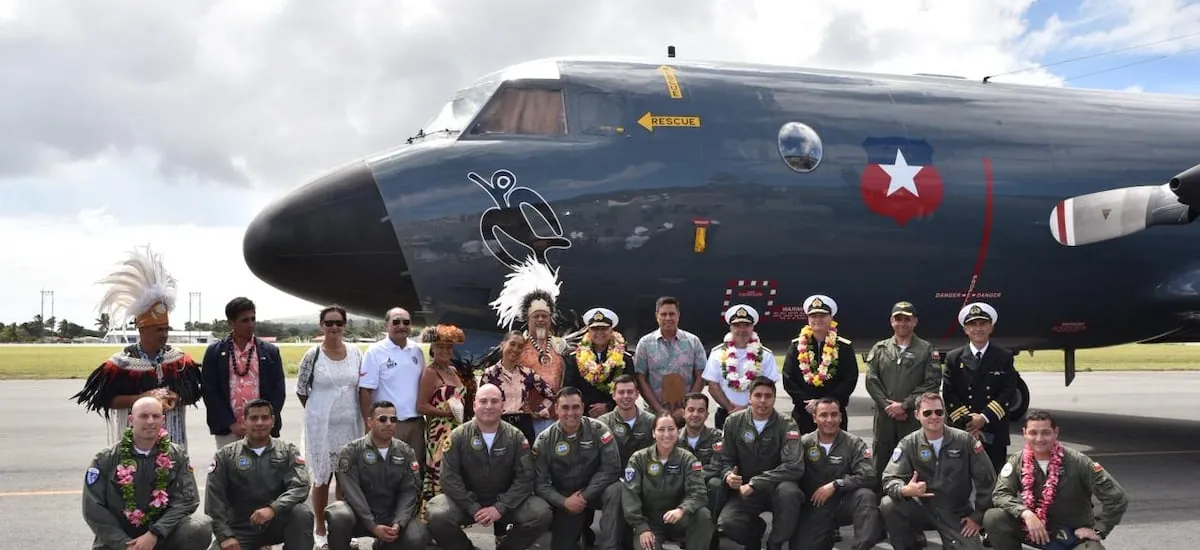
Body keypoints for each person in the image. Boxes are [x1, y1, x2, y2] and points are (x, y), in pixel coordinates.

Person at [73, 246, 203, 450]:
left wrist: (175, 397)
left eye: (166, 329)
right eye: (158, 330)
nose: (164, 334)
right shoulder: (121, 363)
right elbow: (105, 399)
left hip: (173, 440)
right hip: (135, 441)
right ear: (142, 330)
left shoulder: (179, 360)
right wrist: (143, 399)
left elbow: (194, 393)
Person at [425, 384, 554, 550]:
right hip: (467, 503)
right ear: (474, 405)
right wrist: (472, 507)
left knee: (540, 512)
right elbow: (449, 478)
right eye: (483, 401)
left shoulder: (516, 437)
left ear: (502, 405)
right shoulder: (458, 436)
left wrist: (500, 507)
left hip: (506, 502)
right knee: (437, 512)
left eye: (494, 401)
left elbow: (525, 478)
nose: (489, 406)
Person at [983, 410, 1129, 550]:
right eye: (1033, 433)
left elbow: (1117, 498)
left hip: (1074, 534)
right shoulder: (1017, 461)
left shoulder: (1079, 462)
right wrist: (1025, 513)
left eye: (1045, 433)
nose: (1039, 439)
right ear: (1024, 434)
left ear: (1056, 433)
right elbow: (1000, 494)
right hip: (1036, 529)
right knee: (994, 517)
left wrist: (1099, 529)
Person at [82, 396, 212, 550]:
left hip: (160, 538)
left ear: (162, 420)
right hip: (117, 543)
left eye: (156, 416)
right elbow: (93, 508)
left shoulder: (177, 456)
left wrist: (155, 534)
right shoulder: (105, 459)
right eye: (143, 416)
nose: (150, 421)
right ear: (131, 420)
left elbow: (187, 501)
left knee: (199, 527)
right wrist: (125, 544)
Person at [879, 392, 995, 550]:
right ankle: (908, 543)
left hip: (955, 512)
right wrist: (905, 490)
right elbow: (889, 478)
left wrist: (977, 517)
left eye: (939, 412)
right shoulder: (908, 444)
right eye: (927, 413)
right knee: (889, 504)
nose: (934, 417)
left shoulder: (964, 441)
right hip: (922, 509)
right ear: (917, 415)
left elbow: (987, 480)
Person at [295, 304, 366, 546]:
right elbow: (302, 390)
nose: (334, 327)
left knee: (346, 480)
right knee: (322, 479)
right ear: (321, 326)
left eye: (338, 323)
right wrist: (320, 412)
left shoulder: (356, 352)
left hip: (351, 425)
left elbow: (361, 389)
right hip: (321, 428)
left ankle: (342, 529)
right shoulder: (312, 355)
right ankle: (320, 530)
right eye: (329, 323)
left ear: (345, 325)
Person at [204, 399, 314, 549]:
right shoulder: (225, 456)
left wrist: (273, 509)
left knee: (301, 513)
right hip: (241, 528)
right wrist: (225, 536)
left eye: (265, 417)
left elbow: (301, 486)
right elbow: (214, 502)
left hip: (277, 522)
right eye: (254, 418)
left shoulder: (288, 451)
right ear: (245, 421)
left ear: (273, 421)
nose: (260, 423)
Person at [325, 400, 432, 550]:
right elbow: (353, 493)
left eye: (393, 419)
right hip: (359, 516)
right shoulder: (351, 451)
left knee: (418, 536)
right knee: (338, 515)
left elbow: (409, 491)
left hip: (391, 515)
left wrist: (399, 523)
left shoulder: (406, 452)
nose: (389, 423)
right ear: (370, 422)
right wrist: (372, 525)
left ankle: (384, 545)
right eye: (382, 419)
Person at [714, 376, 804, 550]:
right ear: (750, 397)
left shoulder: (787, 424)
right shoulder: (733, 422)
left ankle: (775, 543)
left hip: (775, 488)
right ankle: (754, 535)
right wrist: (728, 476)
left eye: (768, 396)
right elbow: (725, 459)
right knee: (727, 524)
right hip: (744, 489)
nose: (763, 401)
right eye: (758, 395)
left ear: (774, 399)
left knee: (789, 492)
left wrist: (756, 483)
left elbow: (794, 466)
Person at [533, 386, 622, 550]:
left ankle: (610, 546)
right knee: (562, 546)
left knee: (616, 489)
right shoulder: (544, 440)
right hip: (565, 499)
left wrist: (584, 496)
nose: (570, 413)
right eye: (565, 407)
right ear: (556, 409)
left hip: (594, 493)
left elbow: (611, 469)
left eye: (575, 407)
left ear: (582, 407)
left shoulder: (599, 430)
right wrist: (564, 502)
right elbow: (540, 483)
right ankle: (581, 534)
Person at [489, 257, 570, 436]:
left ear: (551, 319)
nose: (541, 320)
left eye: (544, 316)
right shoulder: (517, 347)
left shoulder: (561, 346)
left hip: (557, 418)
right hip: (524, 419)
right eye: (536, 316)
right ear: (527, 319)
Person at [790, 398, 883, 550]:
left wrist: (837, 484)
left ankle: (861, 547)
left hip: (844, 505)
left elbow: (869, 475)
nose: (829, 420)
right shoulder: (804, 443)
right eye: (823, 415)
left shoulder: (854, 443)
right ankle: (826, 538)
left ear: (840, 417)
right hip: (815, 507)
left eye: (834, 415)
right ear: (814, 418)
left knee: (865, 495)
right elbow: (791, 471)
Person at [863, 301, 941, 480]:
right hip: (885, 418)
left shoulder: (927, 350)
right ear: (892, 321)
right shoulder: (880, 348)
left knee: (916, 458)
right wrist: (888, 407)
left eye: (907, 319)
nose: (902, 323)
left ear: (915, 322)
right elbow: (871, 380)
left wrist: (904, 405)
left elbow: (932, 382)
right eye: (898, 319)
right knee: (882, 458)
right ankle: (880, 498)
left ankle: (916, 497)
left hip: (912, 416)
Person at [943, 302, 1020, 472]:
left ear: (991, 328)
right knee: (960, 481)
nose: (978, 329)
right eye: (972, 324)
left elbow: (1008, 392)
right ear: (965, 329)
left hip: (993, 429)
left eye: (983, 324)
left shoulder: (1003, 357)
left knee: (993, 479)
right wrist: (969, 422)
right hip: (963, 430)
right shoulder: (954, 358)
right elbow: (949, 393)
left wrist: (983, 418)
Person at [201, 297, 287, 449]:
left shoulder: (270, 352)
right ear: (231, 323)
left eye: (253, 319)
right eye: (245, 320)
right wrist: (231, 423)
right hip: (229, 432)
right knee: (230, 471)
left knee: (264, 471)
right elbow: (210, 391)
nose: (251, 324)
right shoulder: (215, 353)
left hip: (263, 430)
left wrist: (264, 421)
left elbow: (278, 390)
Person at [620, 411, 715, 550]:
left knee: (703, 515)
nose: (666, 434)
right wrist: (642, 528)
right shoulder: (639, 459)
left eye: (671, 429)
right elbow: (630, 496)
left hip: (679, 519)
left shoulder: (688, 459)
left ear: (677, 432)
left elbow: (699, 493)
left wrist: (682, 510)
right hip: (650, 523)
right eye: (661, 429)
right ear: (653, 433)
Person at [358, 307, 428, 470]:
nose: (401, 326)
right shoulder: (375, 352)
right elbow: (365, 391)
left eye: (406, 322)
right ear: (386, 325)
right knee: (387, 471)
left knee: (414, 471)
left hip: (415, 423)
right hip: (388, 423)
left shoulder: (416, 350)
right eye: (396, 322)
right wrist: (370, 424)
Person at [781, 294, 858, 434]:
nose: (817, 319)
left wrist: (825, 402)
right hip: (804, 412)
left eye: (822, 315)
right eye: (813, 316)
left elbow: (850, 378)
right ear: (808, 319)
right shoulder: (797, 345)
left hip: (833, 414)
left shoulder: (843, 346)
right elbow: (788, 377)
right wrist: (806, 402)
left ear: (831, 318)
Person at [597, 374, 658, 549]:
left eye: (630, 392)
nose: (626, 396)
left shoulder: (651, 421)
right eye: (621, 392)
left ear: (637, 394)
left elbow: (656, 455)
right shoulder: (603, 423)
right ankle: (610, 546)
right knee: (617, 492)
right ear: (613, 395)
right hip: (613, 482)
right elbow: (600, 461)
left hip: (644, 480)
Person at [417, 324, 468, 520]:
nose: (445, 351)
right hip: (438, 435)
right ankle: (433, 520)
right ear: (433, 349)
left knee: (454, 475)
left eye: (449, 347)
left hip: (457, 431)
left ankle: (450, 519)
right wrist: (445, 413)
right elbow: (420, 406)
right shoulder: (430, 373)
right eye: (440, 347)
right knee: (439, 474)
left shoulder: (453, 371)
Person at [702, 304, 780, 429]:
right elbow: (713, 386)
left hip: (757, 413)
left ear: (752, 327)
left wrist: (747, 408)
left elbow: (769, 387)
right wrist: (730, 408)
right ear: (731, 327)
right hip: (725, 413)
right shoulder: (717, 353)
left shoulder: (765, 355)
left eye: (746, 325)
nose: (741, 330)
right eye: (737, 325)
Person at [478, 331, 559, 445]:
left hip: (523, 425)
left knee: (524, 460)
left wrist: (538, 412)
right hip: (498, 424)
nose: (515, 349)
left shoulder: (528, 373)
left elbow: (551, 394)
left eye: (520, 347)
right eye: (512, 344)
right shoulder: (489, 374)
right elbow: (480, 402)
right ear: (502, 345)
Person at [633, 296, 708, 415]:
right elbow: (640, 378)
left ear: (678, 315)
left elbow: (701, 376)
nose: (668, 318)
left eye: (672, 314)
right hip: (654, 413)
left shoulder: (693, 342)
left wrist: (687, 406)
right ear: (657, 316)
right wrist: (659, 409)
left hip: (686, 414)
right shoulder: (645, 343)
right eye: (663, 314)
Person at [562, 307, 634, 417]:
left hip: (615, 415)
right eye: (595, 329)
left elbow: (629, 389)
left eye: (604, 329)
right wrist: (587, 407)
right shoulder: (573, 358)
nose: (599, 332)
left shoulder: (625, 359)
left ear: (612, 330)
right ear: (588, 330)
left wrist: (608, 406)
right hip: (583, 415)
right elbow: (570, 388)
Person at [677, 392, 725, 550]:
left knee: (716, 483)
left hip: (705, 489)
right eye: (691, 409)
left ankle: (710, 533)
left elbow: (716, 467)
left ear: (707, 414)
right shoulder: (673, 437)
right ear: (683, 412)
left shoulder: (717, 437)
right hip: (679, 488)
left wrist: (691, 478)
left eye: (700, 410)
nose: (695, 414)